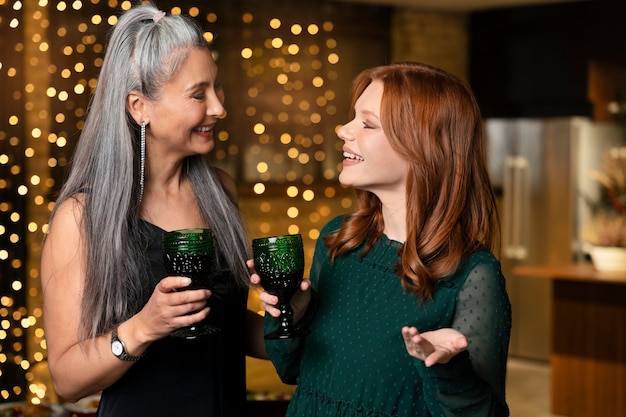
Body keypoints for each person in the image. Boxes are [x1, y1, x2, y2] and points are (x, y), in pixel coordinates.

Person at [40, 3, 265, 416]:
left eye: (216, 89)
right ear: (139, 107)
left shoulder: (221, 191)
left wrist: (294, 321)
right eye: (199, 94)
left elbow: (231, 327)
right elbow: (67, 379)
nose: (218, 108)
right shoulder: (80, 217)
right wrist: (145, 326)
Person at [251, 62, 512, 416]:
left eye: (368, 124)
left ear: (424, 147)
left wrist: (448, 368)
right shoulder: (338, 239)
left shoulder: (473, 275)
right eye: (353, 118)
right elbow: (293, 371)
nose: (344, 130)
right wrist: (289, 314)